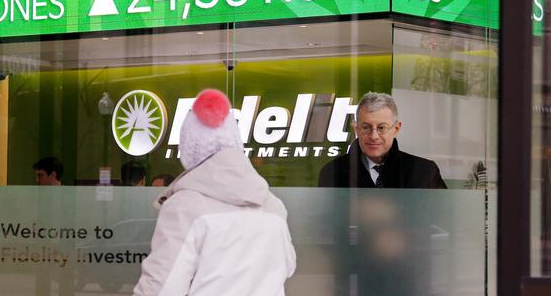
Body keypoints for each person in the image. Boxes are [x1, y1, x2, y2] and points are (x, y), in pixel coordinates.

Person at [133, 89, 296, 296]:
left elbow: (162, 288)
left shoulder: (185, 207)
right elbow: (287, 267)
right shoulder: (273, 206)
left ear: (190, 150)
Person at [318, 92, 446, 188]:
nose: (374, 136)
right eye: (366, 127)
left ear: (396, 128)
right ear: (356, 129)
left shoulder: (424, 172)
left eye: (381, 128)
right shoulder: (332, 172)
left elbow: (443, 220)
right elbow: (321, 220)